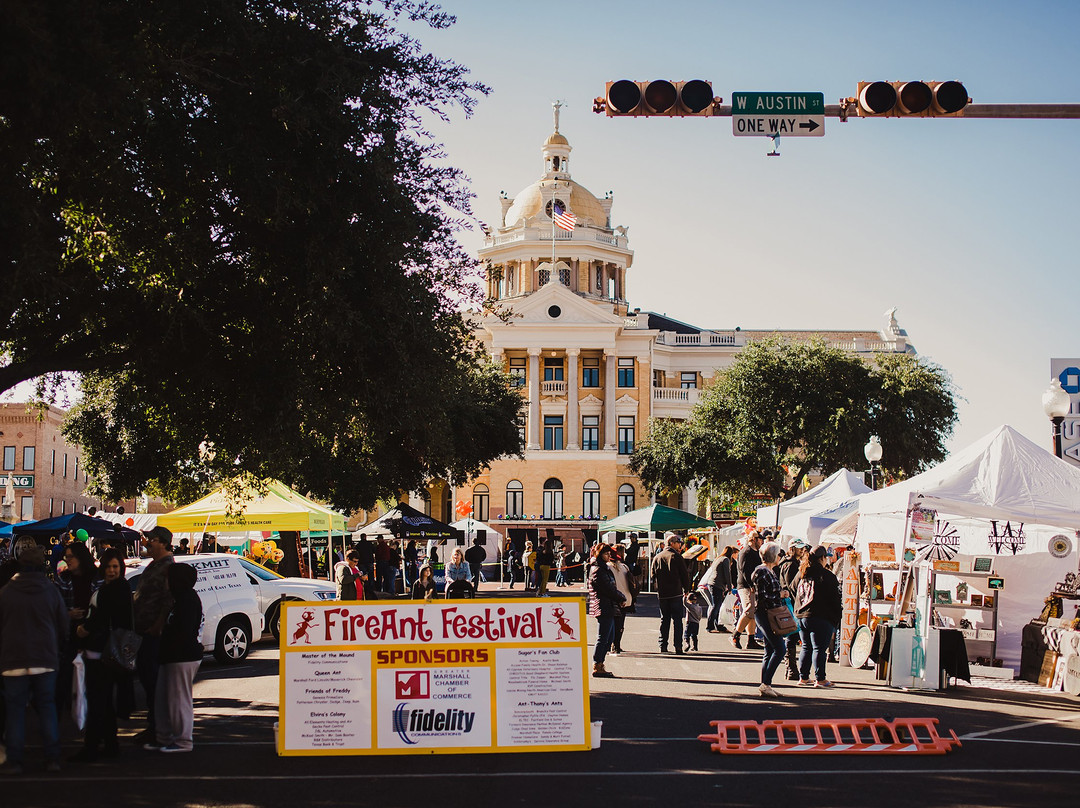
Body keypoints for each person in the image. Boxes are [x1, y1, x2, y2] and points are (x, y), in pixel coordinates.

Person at [0, 540, 69, 774]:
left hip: (13, 659)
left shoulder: (6, 592)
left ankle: (15, 759)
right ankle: (52, 757)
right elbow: (63, 626)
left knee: (16, 710)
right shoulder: (50, 591)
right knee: (47, 707)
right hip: (45, 657)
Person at [72, 548, 131, 762]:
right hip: (108, 651)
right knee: (103, 702)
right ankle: (108, 744)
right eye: (108, 566)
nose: (111, 570)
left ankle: (94, 746)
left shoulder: (114, 590)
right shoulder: (116, 588)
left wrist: (83, 630)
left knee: (99, 701)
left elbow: (101, 618)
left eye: (115, 566)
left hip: (104, 652)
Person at [146, 563, 203, 753]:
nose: (166, 581)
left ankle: (183, 741)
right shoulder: (179, 598)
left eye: (169, 577)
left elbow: (184, 631)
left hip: (182, 656)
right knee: (164, 699)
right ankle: (165, 737)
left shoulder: (186, 600)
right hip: (172, 656)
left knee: (179, 699)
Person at [132, 526, 175, 744]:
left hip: (152, 632)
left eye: (150, 540)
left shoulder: (167, 567)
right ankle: (154, 725)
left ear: (161, 542)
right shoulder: (156, 564)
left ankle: (158, 728)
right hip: (144, 629)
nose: (146, 543)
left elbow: (168, 599)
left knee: (153, 680)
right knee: (148, 680)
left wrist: (157, 625)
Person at [54, 539, 100, 712]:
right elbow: (54, 607)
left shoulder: (97, 578)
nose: (68, 560)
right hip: (69, 636)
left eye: (70, 557)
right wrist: (67, 614)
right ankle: (65, 711)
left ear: (81, 557)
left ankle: (89, 713)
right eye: (66, 557)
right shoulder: (63, 580)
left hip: (93, 635)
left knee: (93, 679)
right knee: (64, 677)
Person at [794, 545, 843, 688]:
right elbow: (835, 599)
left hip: (802, 615)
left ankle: (803, 677)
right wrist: (836, 616)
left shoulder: (802, 573)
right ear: (822, 558)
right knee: (819, 648)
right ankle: (820, 679)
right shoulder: (827, 576)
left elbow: (792, 588)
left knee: (806, 647)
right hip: (821, 616)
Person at [752, 541, 791, 698]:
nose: (780, 557)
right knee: (779, 648)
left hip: (768, 612)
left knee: (769, 649)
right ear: (773, 556)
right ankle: (766, 683)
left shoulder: (767, 570)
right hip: (767, 613)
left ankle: (766, 684)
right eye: (779, 554)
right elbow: (763, 596)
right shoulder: (763, 572)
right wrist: (780, 594)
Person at [586, 543, 625, 678]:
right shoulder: (598, 569)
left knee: (609, 637)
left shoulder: (602, 568)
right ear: (599, 554)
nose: (608, 556)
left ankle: (600, 663)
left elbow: (610, 587)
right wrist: (620, 597)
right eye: (606, 553)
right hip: (603, 605)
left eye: (609, 553)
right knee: (604, 637)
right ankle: (597, 664)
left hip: (607, 604)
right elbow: (607, 588)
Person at [651, 533, 691, 654]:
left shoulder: (657, 557)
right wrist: (686, 589)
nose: (680, 545)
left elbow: (653, 575)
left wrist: (658, 587)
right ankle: (678, 646)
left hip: (663, 593)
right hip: (675, 592)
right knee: (677, 620)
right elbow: (684, 574)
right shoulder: (676, 556)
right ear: (672, 543)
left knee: (665, 619)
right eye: (678, 543)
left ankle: (663, 645)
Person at [777, 540, 808, 680]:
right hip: (791, 603)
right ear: (792, 549)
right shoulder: (790, 564)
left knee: (792, 635)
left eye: (802, 548)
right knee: (791, 636)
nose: (802, 551)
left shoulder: (788, 563)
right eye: (799, 548)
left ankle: (791, 668)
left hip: (790, 603)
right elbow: (791, 586)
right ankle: (791, 668)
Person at [731, 531, 765, 650]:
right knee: (749, 610)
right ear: (754, 539)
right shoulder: (746, 551)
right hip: (746, 585)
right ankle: (735, 635)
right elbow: (744, 569)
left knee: (752, 612)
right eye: (760, 539)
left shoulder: (756, 552)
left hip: (753, 585)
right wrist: (751, 584)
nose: (762, 541)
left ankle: (751, 640)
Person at [703, 545, 737, 633]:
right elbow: (727, 574)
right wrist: (729, 587)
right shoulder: (726, 560)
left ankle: (718, 625)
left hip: (712, 583)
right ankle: (710, 626)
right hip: (717, 585)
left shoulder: (719, 558)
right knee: (716, 606)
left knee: (717, 605)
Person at [609, 546, 637, 654]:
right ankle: (617, 645)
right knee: (620, 624)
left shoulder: (608, 568)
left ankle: (612, 644)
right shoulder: (625, 567)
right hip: (626, 597)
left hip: (615, 598)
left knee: (612, 623)